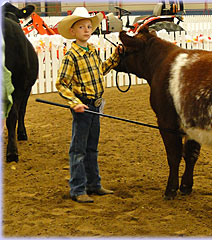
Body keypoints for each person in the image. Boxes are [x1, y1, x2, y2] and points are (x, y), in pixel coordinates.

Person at [56, 7, 122, 203]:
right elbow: (61, 83)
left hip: (96, 106)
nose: (86, 30)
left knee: (92, 147)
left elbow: (101, 70)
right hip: (83, 107)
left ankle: (94, 184)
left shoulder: (92, 51)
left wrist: (116, 56)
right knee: (78, 149)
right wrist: (75, 103)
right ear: (72, 32)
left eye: (88, 26)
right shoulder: (71, 56)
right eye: (81, 27)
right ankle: (77, 189)